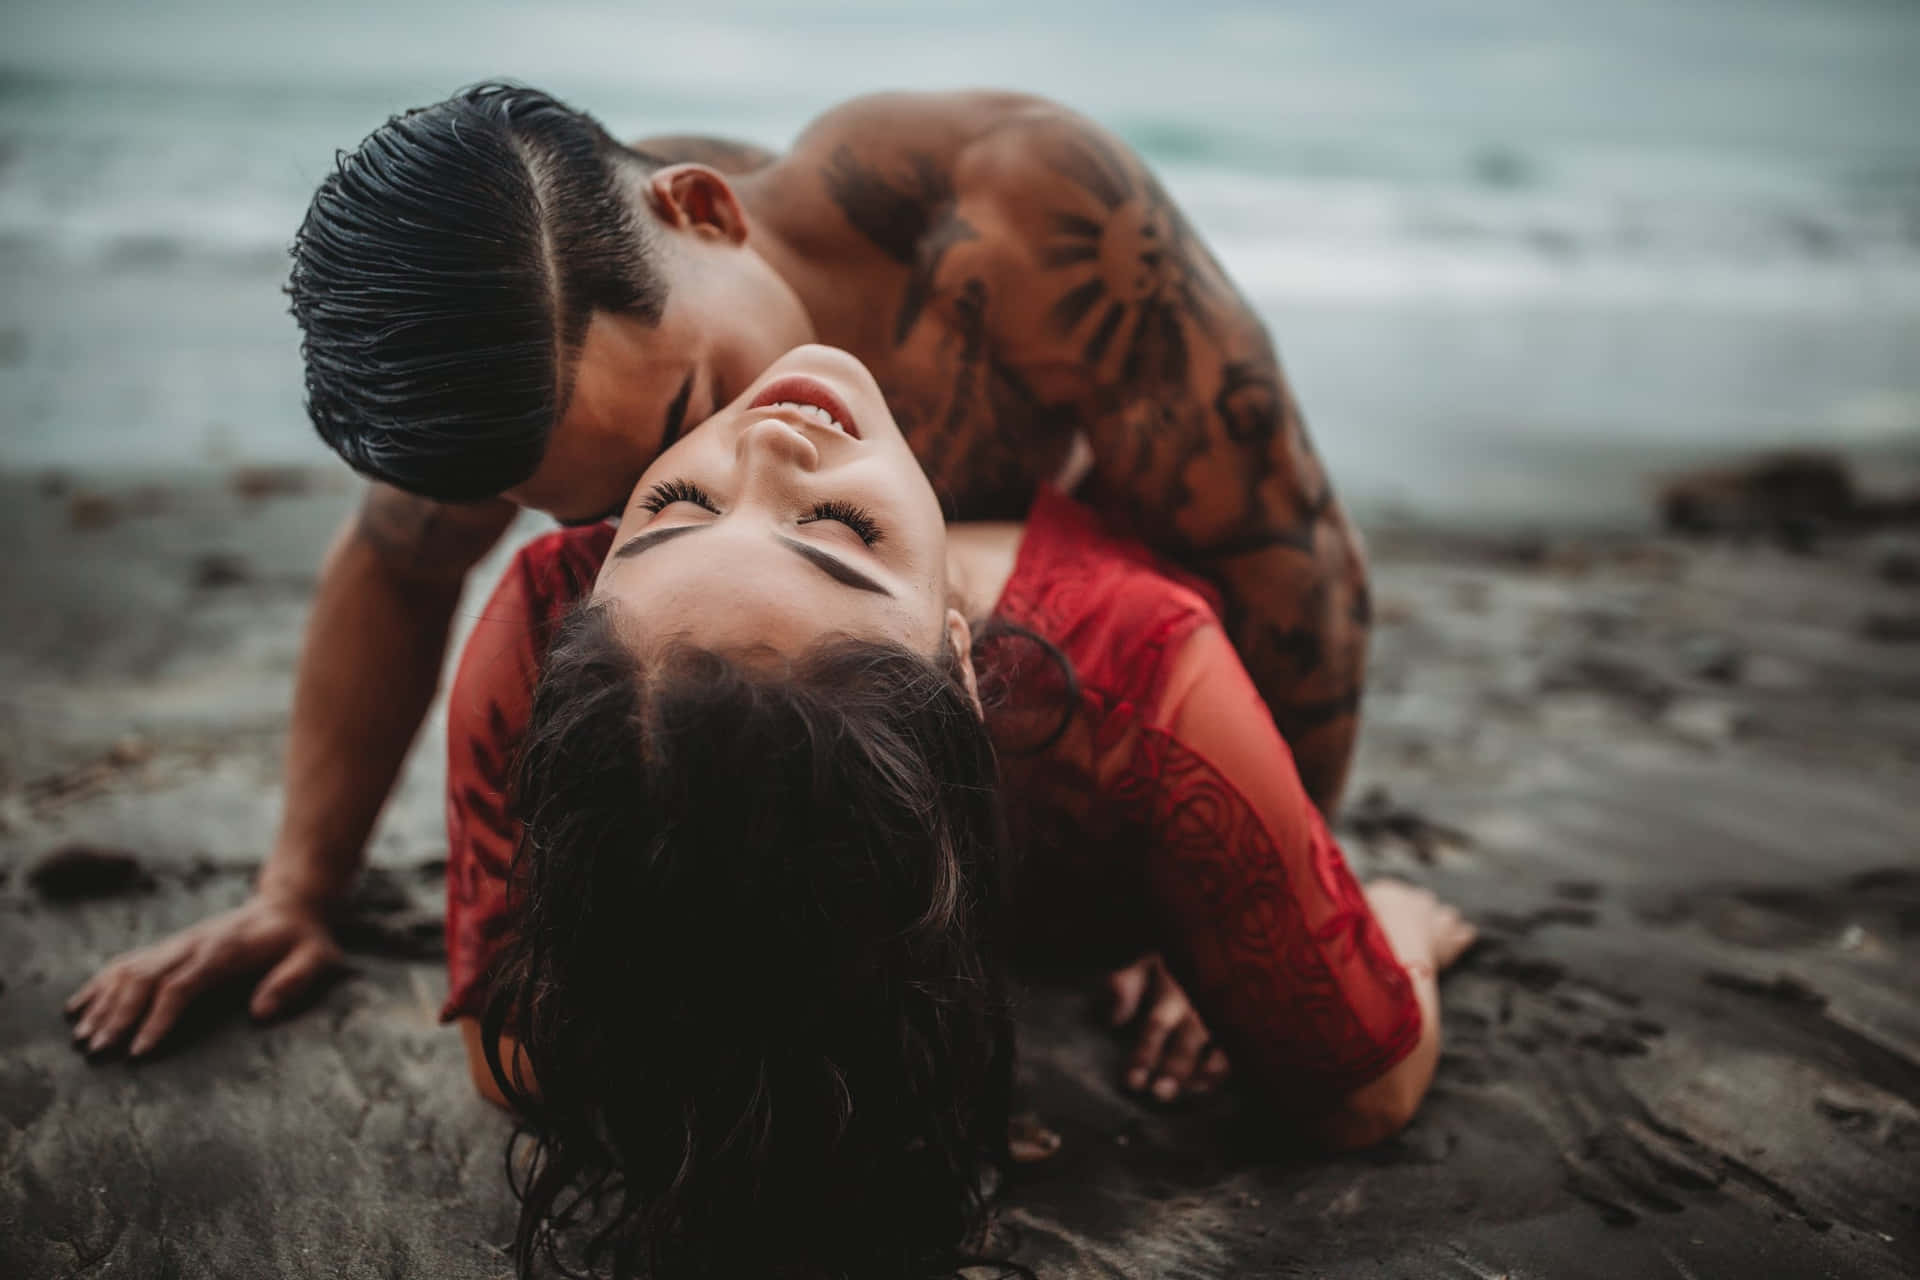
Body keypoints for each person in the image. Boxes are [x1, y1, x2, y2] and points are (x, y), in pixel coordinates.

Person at [66, 83, 1374, 1076]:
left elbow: (1283, 556)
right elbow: (398, 563)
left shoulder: (1018, 217)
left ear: (705, 212)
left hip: (1045, 763)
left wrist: (1246, 917)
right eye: (622, 499)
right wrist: (300, 887)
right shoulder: (516, 347)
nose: (711, 464)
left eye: (689, 404)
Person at [439, 346, 1473, 1278]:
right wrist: (1397, 914)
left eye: (669, 503)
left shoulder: (551, 615)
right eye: (842, 531)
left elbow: (512, 1045)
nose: (764, 444)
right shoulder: (1151, 677)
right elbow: (1361, 1095)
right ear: (963, 668)